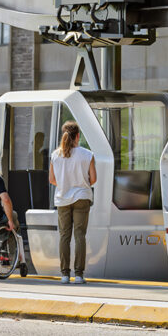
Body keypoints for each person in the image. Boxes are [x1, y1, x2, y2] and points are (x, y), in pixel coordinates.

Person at [49, 121, 96, 284]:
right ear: (78, 136)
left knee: (64, 236)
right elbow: (93, 179)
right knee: (80, 235)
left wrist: (64, 184)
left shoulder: (55, 155)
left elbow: (52, 179)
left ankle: (64, 275)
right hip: (82, 197)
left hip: (62, 199)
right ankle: (79, 275)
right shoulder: (87, 154)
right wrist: (80, 184)